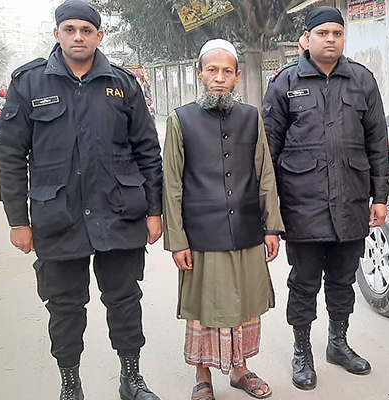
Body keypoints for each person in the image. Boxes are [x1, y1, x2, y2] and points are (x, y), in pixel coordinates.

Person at [0, 1, 162, 399]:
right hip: (58, 216)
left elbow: (148, 150)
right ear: (57, 34)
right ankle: (71, 383)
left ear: (98, 36)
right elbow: (11, 156)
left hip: (119, 211)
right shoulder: (29, 83)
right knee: (65, 307)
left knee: (125, 301)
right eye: (69, 29)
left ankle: (131, 378)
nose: (78, 37)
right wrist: (18, 220)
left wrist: (155, 210)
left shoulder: (123, 83)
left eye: (86, 30)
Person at [262, 6, 389, 391]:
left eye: (337, 32)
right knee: (303, 283)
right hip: (303, 205)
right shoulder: (284, 83)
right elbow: (267, 150)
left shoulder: (362, 81)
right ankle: (302, 350)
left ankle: (338, 343)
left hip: (351, 201)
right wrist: (270, 213)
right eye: (322, 33)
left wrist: (379, 196)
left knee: (342, 280)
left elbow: (378, 143)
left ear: (343, 38)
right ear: (307, 39)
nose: (330, 39)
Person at [163, 39, 284, 400]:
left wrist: (272, 226)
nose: (219, 77)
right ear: (199, 73)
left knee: (244, 303)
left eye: (226, 71)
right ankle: (202, 376)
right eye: (212, 70)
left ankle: (240, 371)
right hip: (201, 233)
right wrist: (178, 240)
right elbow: (171, 184)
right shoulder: (179, 119)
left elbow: (265, 174)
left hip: (247, 229)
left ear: (237, 76)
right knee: (203, 305)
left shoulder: (251, 117)